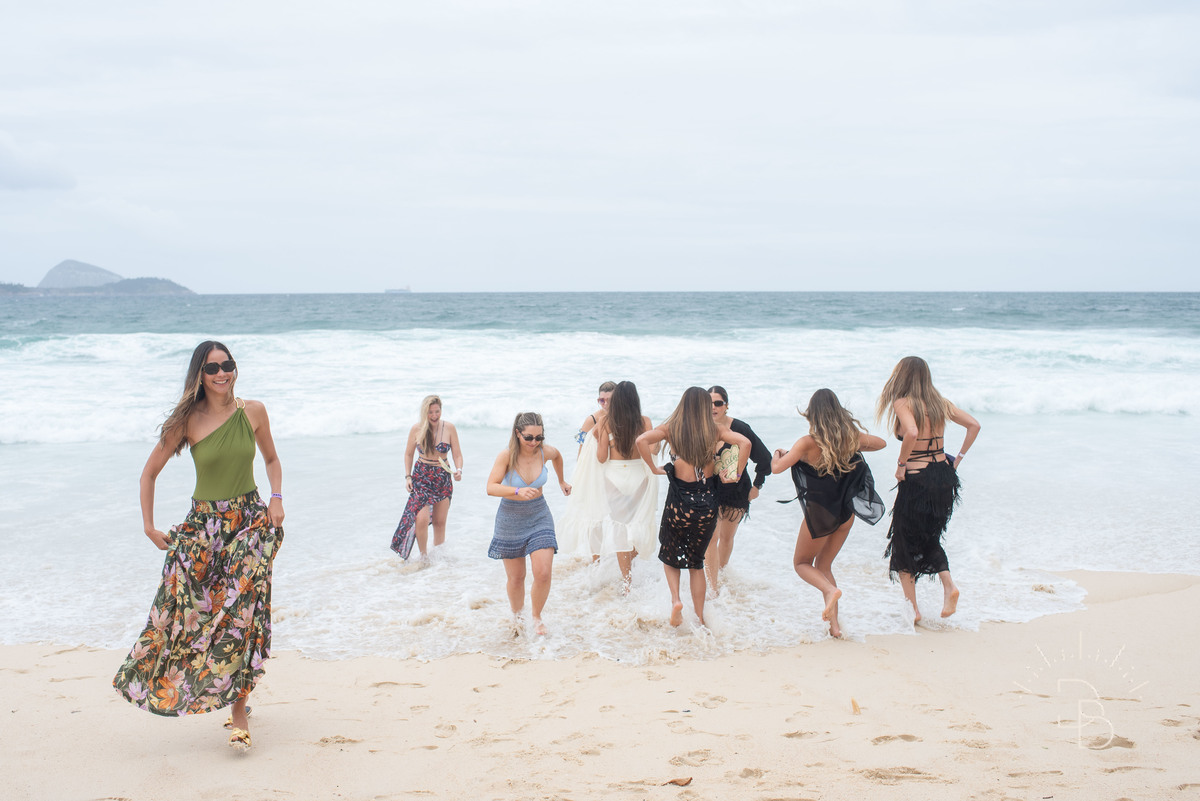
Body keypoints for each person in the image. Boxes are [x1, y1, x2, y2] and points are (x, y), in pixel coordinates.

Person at [113, 340, 284, 752]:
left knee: (243, 615)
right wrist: (149, 527)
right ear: (199, 375)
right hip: (204, 530)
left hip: (249, 524)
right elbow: (148, 474)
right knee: (187, 617)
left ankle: (239, 707)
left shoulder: (253, 411)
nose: (222, 373)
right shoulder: (187, 421)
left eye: (228, 364)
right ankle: (183, 684)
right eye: (212, 368)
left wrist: (276, 499)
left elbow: (272, 461)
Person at [771, 389, 887, 638]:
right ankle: (834, 627)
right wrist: (854, 440)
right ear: (838, 412)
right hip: (846, 514)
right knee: (824, 564)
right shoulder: (850, 438)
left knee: (802, 564)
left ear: (812, 414)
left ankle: (829, 592)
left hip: (821, 514)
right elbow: (881, 443)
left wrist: (777, 455)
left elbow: (778, 468)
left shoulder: (807, 443)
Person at [876, 356, 981, 623]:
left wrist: (901, 465)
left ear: (903, 377)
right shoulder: (940, 403)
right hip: (943, 477)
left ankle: (913, 610)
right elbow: (974, 425)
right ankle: (948, 585)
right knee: (929, 536)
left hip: (918, 479)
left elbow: (910, 432)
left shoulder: (903, 403)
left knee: (903, 541)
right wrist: (957, 459)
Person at [636, 387, 749, 627]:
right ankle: (699, 618)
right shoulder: (716, 429)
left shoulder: (672, 428)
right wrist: (735, 474)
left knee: (670, 556)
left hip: (679, 502)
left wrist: (654, 468)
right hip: (706, 503)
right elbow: (745, 442)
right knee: (697, 564)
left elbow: (641, 440)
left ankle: (677, 600)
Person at [485, 412, 571, 635]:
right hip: (510, 518)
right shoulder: (506, 456)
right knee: (516, 578)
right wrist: (517, 490)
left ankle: (536, 617)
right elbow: (491, 487)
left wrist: (562, 480)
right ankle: (517, 617)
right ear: (517, 434)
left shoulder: (545, 452)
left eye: (539, 438)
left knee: (543, 572)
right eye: (529, 438)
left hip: (539, 514)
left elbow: (558, 456)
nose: (534, 443)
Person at [705, 385, 773, 596]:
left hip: (736, 491)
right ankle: (712, 586)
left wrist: (757, 486)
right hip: (710, 490)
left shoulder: (740, 428)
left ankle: (722, 574)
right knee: (711, 538)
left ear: (726, 405)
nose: (713, 407)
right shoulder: (701, 428)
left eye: (718, 403)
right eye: (709, 403)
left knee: (726, 537)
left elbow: (765, 459)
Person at [593, 380, 659, 587]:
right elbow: (654, 450)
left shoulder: (605, 423)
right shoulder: (645, 422)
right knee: (641, 524)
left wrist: (599, 439)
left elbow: (602, 458)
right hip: (639, 476)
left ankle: (627, 583)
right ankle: (629, 558)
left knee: (620, 529)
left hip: (614, 477)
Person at [391, 395, 463, 560]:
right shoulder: (417, 429)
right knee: (421, 519)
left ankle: (438, 558)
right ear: (425, 412)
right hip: (422, 476)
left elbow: (457, 454)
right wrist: (408, 477)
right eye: (430, 412)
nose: (434, 415)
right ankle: (423, 557)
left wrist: (459, 469)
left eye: (437, 411)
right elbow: (409, 454)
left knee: (439, 522)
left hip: (442, 476)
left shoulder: (450, 428)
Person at [575, 381, 616, 455]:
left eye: (610, 400)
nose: (605, 404)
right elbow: (582, 450)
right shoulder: (591, 420)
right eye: (602, 400)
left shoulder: (625, 417)